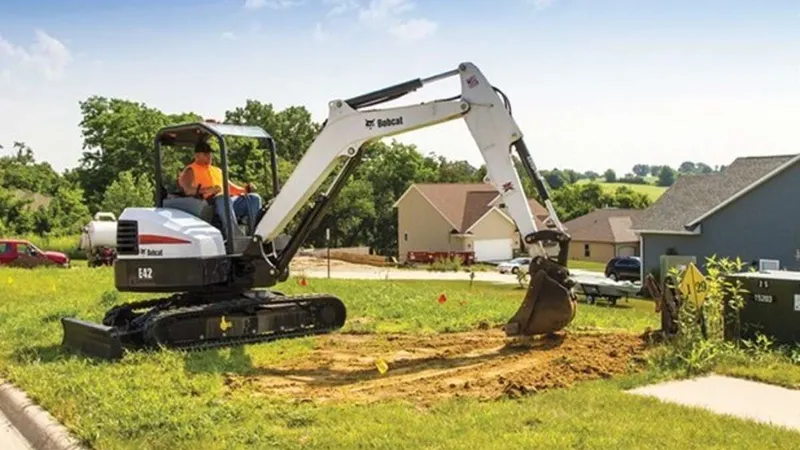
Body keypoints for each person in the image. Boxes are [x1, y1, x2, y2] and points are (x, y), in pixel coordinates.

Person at [178, 140, 262, 239]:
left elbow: (232, 188)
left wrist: (246, 189)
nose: (209, 156)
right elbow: (188, 190)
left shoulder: (217, 170)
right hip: (209, 205)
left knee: (254, 198)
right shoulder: (190, 170)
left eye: (210, 153)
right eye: (205, 154)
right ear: (197, 155)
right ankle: (234, 237)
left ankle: (256, 234)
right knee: (223, 198)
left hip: (228, 202)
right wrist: (209, 190)